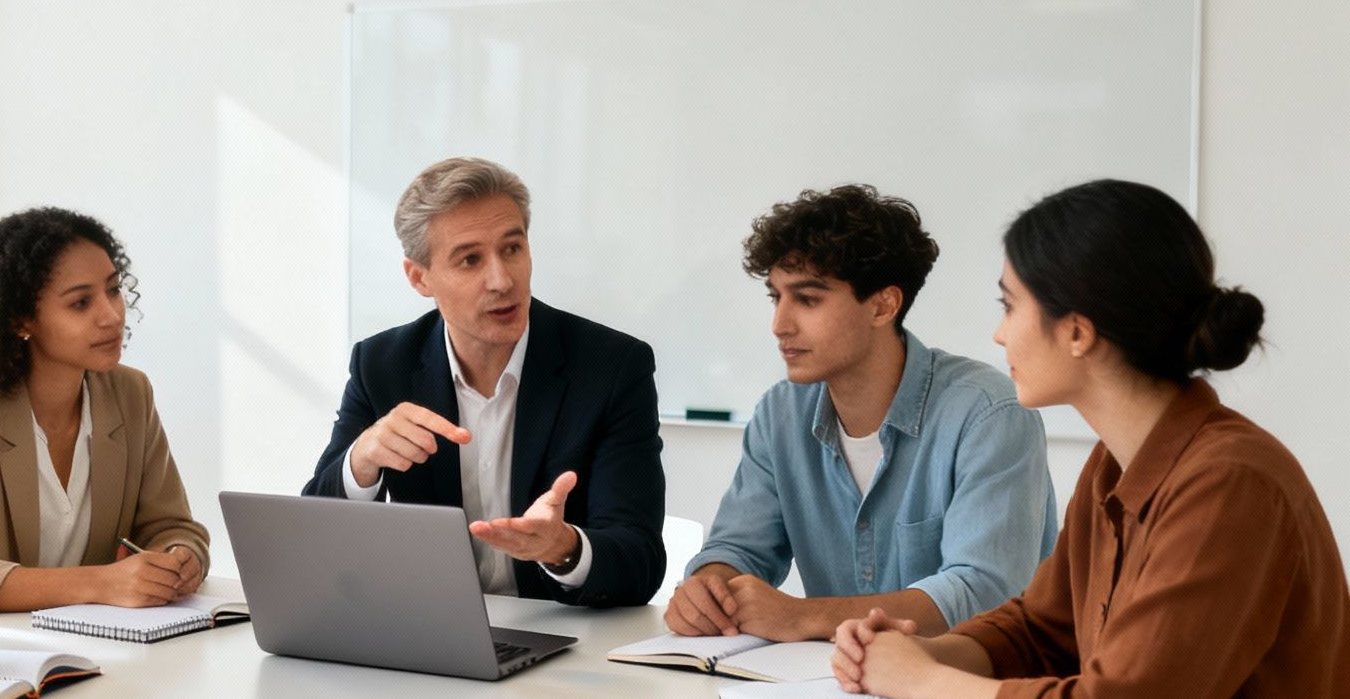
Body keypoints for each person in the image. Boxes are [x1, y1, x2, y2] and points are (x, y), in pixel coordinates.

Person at [832, 179, 1350, 699]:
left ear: (1077, 330)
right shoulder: (1122, 459)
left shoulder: (1229, 482)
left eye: (1009, 306)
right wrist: (926, 650)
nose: (998, 334)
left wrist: (921, 682)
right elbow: (1042, 631)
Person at [666, 185, 1056, 642]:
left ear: (882, 305)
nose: (780, 324)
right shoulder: (780, 414)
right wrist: (707, 587)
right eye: (776, 297)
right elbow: (738, 550)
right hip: (831, 690)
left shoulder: (989, 413)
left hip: (972, 688)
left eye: (807, 299)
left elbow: (981, 592)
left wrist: (804, 616)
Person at [301, 157, 665, 608]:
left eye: (512, 249)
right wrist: (361, 462)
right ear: (419, 277)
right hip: (433, 632)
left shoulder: (611, 366)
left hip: (563, 640)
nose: (502, 280)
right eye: (470, 260)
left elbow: (641, 561)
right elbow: (313, 540)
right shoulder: (383, 365)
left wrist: (563, 548)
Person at [0, 208, 209, 613]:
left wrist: (181, 557)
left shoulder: (131, 393)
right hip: (1, 655)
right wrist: (101, 583)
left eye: (113, 290)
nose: (112, 315)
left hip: (109, 647)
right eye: (81, 303)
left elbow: (171, 526)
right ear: (21, 319)